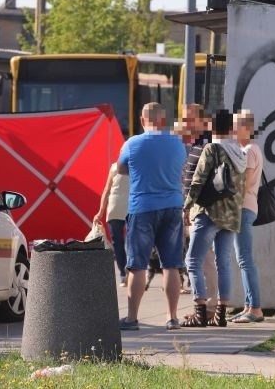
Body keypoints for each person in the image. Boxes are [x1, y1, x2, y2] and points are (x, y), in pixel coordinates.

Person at [118, 102, 187, 331]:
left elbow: (121, 170)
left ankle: (131, 318)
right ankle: (172, 318)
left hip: (142, 207)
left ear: (142, 120)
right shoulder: (178, 144)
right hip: (173, 207)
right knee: (171, 265)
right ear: (163, 120)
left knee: (137, 266)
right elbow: (181, 170)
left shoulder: (132, 144)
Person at [182, 109, 247, 327]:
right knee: (224, 263)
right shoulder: (241, 152)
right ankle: (220, 314)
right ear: (231, 128)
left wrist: (186, 207)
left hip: (209, 213)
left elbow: (198, 181)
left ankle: (199, 312)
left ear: (212, 127)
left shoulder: (211, 149)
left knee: (192, 261)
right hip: (232, 216)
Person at [178, 103, 219, 322]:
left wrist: (187, 206)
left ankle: (204, 310)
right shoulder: (197, 144)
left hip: (202, 210)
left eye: (188, 120)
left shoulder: (206, 145)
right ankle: (210, 308)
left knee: (198, 260)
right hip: (199, 209)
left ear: (203, 121)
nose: (183, 124)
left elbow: (199, 181)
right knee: (205, 260)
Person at [231, 109, 265, 324]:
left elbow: (244, 182)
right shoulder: (246, 149)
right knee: (242, 259)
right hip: (243, 208)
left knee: (245, 260)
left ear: (248, 128)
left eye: (237, 126)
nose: (233, 130)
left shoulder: (250, 150)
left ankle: (255, 308)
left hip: (243, 208)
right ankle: (247, 306)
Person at [94, 145, 129, 287]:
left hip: (131, 208)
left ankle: (129, 271)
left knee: (129, 243)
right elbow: (106, 190)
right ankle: (123, 273)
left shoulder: (136, 167)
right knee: (118, 243)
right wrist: (100, 212)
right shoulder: (114, 168)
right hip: (115, 209)